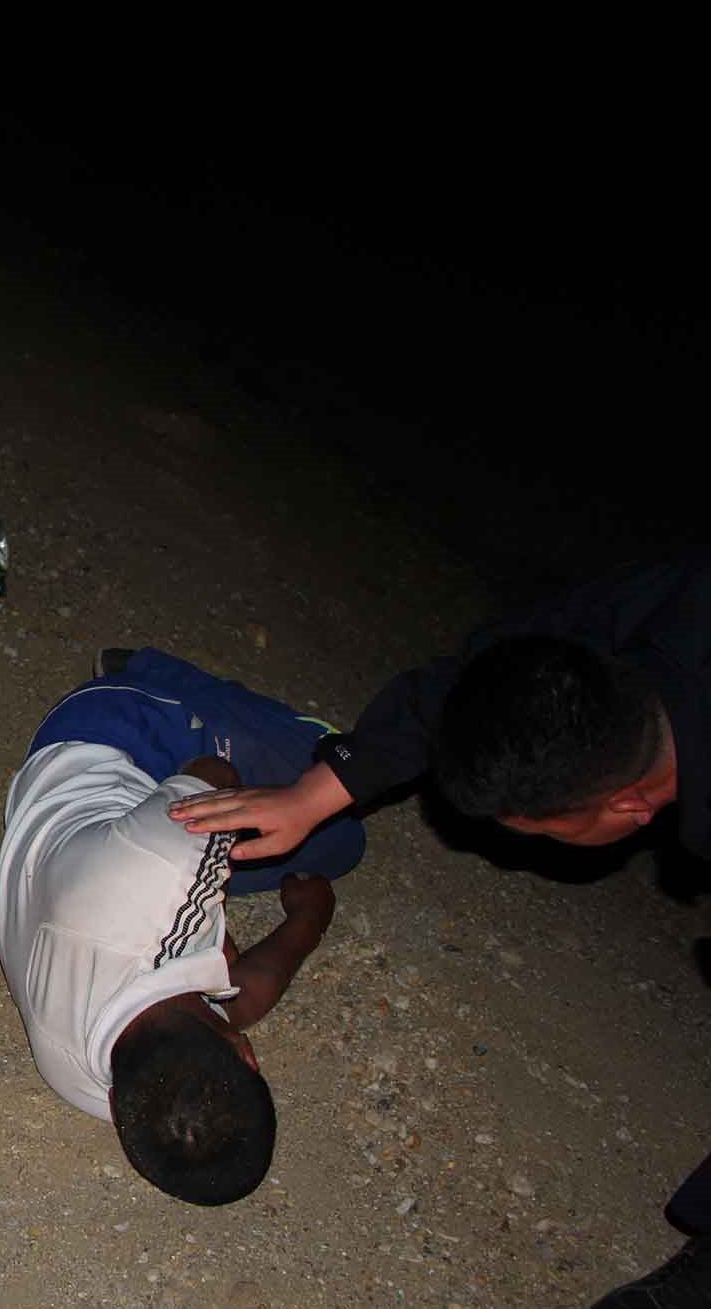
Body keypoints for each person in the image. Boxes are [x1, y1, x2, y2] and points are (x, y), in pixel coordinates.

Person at [163, 552, 709, 1306]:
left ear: (630, 807)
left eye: (541, 829)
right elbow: (478, 677)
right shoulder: (667, 606)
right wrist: (316, 792)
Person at [0, 650, 360, 1204]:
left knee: (337, 806)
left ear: (249, 1055)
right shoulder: (86, 1080)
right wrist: (307, 922)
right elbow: (235, 1002)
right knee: (339, 843)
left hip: (102, 734)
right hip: (71, 861)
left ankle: (140, 668)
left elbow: (216, 776)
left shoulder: (166, 874)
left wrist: (233, 915)